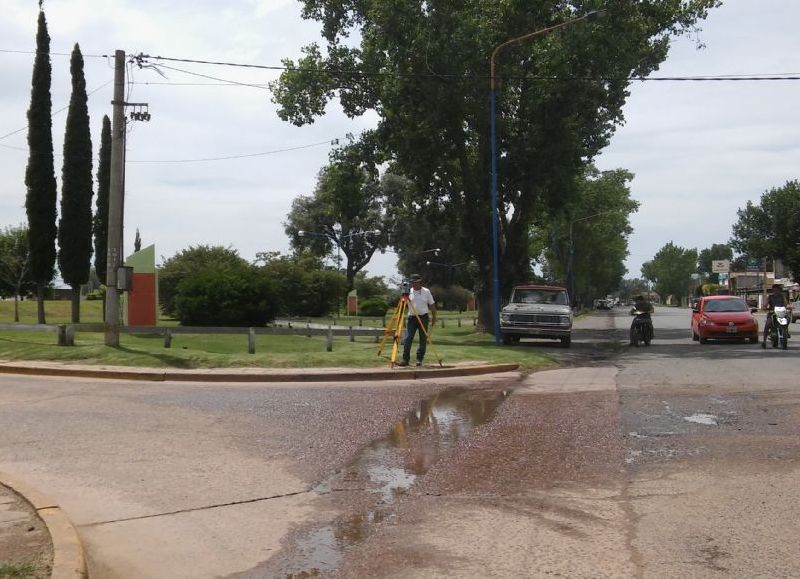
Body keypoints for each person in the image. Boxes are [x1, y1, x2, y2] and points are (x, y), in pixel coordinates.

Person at [398, 274, 437, 367]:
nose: (414, 284)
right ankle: (405, 359)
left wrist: (434, 317)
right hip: (412, 318)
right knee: (408, 338)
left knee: (423, 339)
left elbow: (432, 305)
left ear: (420, 282)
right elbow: (402, 305)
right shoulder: (408, 292)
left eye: (416, 282)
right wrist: (403, 296)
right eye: (412, 282)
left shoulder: (426, 291)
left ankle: (419, 359)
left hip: (423, 317)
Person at [762, 283, 788, 348]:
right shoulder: (770, 297)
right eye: (774, 290)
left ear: (779, 290)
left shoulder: (782, 296)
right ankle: (764, 341)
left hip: (781, 313)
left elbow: (786, 304)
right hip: (772, 313)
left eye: (777, 290)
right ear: (773, 290)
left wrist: (789, 307)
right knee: (767, 324)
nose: (776, 291)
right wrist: (765, 307)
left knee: (787, 320)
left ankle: (786, 333)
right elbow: (765, 304)